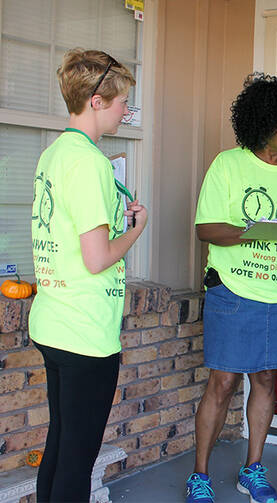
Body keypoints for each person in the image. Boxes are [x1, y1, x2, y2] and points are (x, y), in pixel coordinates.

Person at [186, 74, 277, 503]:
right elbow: (206, 229)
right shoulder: (228, 165)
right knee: (224, 382)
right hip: (233, 289)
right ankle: (199, 475)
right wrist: (258, 231)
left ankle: (253, 469)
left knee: (265, 378)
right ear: (260, 124)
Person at [29, 49, 146, 502]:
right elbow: (97, 258)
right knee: (77, 461)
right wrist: (136, 230)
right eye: (123, 104)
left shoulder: (54, 153)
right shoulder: (91, 162)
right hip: (85, 331)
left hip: (53, 321)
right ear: (97, 101)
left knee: (60, 445)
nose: (125, 112)